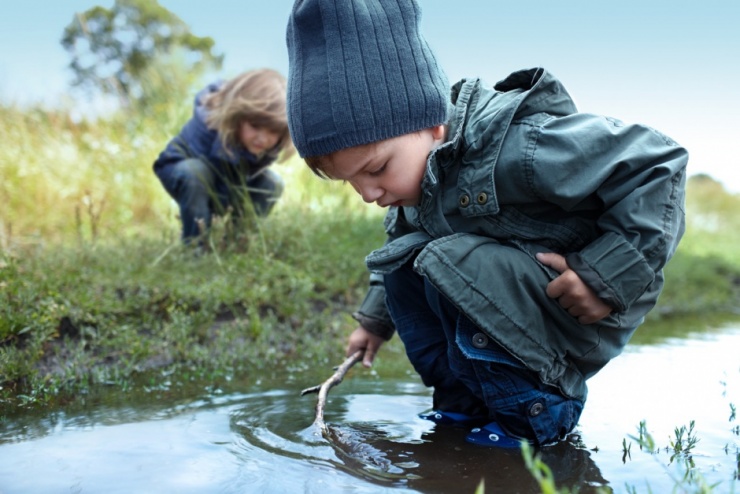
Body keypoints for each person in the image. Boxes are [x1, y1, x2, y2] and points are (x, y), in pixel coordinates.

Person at [286, 0, 687, 447]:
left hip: (572, 311)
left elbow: (657, 164)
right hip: (502, 298)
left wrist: (606, 276)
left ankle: (531, 418)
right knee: (406, 258)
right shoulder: (413, 187)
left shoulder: (522, 147)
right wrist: (373, 323)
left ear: (432, 123)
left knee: (447, 257)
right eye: (351, 182)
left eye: (376, 169)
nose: (367, 193)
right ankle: (464, 404)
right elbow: (398, 247)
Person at [153, 68, 294, 243]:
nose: (262, 138)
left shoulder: (257, 144)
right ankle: (197, 246)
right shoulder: (211, 125)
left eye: (273, 131)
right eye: (255, 126)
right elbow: (211, 180)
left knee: (272, 183)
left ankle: (239, 242)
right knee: (196, 174)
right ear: (236, 115)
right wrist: (222, 209)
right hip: (183, 169)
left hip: (227, 181)